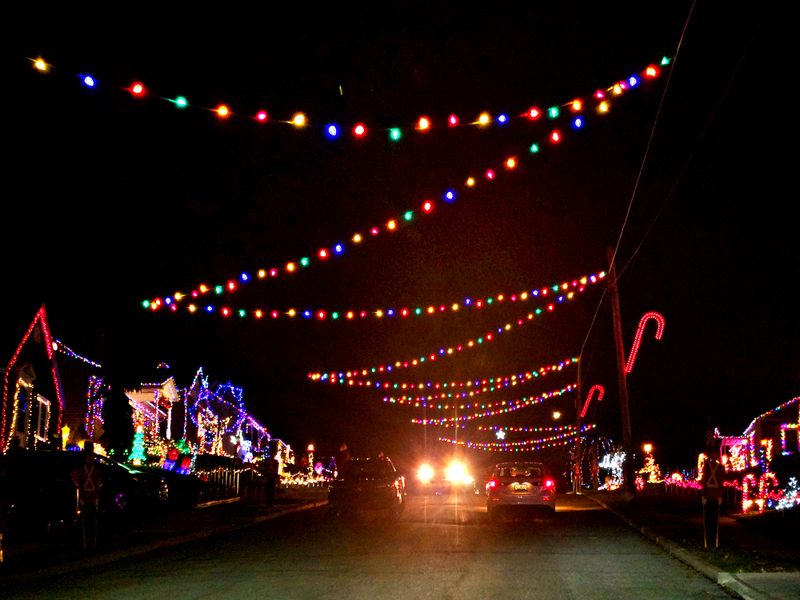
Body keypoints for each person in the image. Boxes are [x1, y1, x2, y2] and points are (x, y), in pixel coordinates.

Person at [71, 441, 102, 550]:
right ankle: (89, 543)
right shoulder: (88, 468)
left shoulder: (84, 467)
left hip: (89, 497)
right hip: (89, 497)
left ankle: (89, 543)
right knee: (89, 522)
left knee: (89, 522)